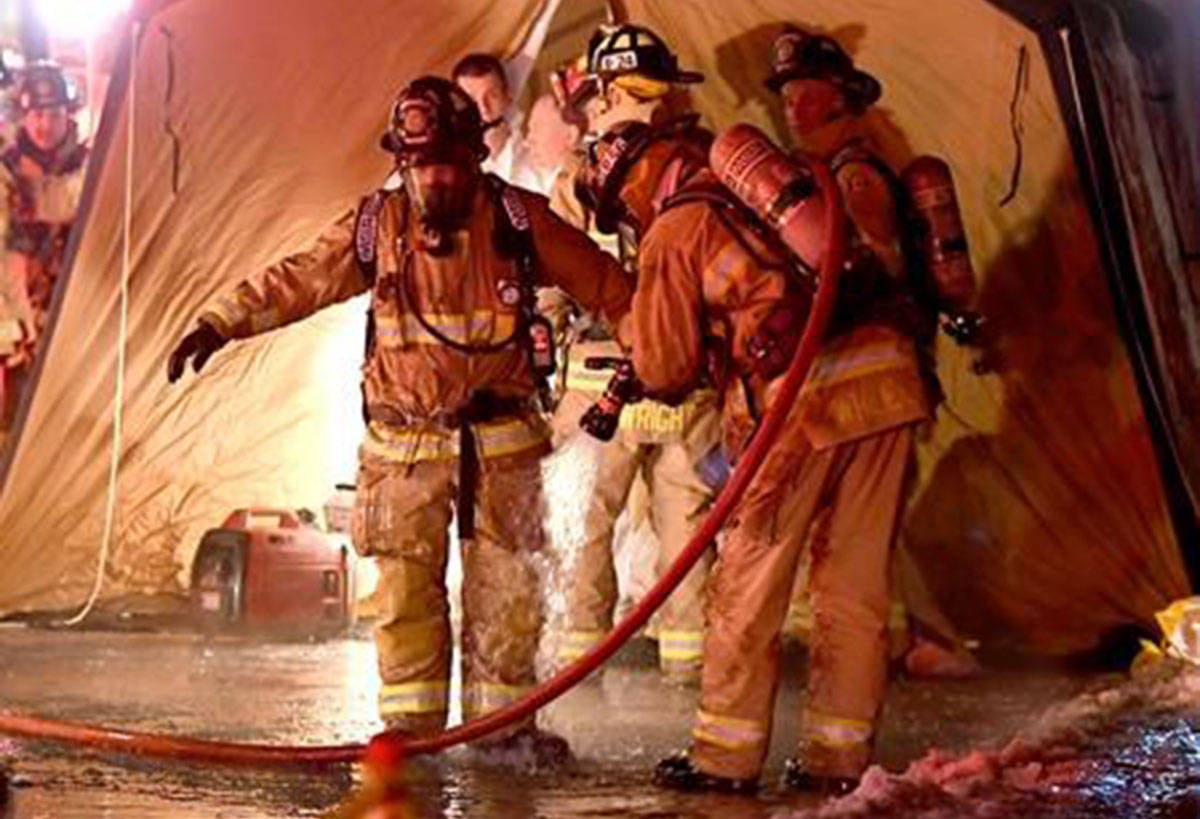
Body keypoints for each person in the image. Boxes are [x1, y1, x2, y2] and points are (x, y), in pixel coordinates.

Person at [167, 76, 632, 763]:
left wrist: (664, 345)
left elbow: (608, 285)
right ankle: (410, 742)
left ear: (476, 158)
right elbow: (299, 277)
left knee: (508, 595)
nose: (435, 180)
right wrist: (220, 321)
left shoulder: (518, 218)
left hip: (502, 447)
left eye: (448, 164)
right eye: (421, 166)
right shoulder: (375, 227)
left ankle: (502, 733)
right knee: (404, 600)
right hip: (403, 451)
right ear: (402, 163)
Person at [577, 30, 945, 793]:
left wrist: (635, 338)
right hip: (886, 378)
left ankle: (725, 756)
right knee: (854, 585)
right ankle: (837, 761)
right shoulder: (748, 183)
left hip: (801, 403)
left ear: (634, 180)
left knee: (748, 574)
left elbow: (669, 367)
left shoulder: (676, 227)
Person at [767, 25, 982, 680]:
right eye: (787, 95)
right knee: (864, 517)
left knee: (867, 519)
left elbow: (873, 263)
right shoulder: (834, 168)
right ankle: (902, 639)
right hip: (866, 376)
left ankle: (928, 642)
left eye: (806, 93)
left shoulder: (856, 175)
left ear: (839, 97)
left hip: (873, 373)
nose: (792, 108)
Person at [548, 25, 721, 686]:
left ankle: (577, 674)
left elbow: (556, 274)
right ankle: (693, 678)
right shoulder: (698, 165)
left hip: (603, 383)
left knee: (586, 530)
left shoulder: (579, 178)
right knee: (686, 532)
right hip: (680, 376)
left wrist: (542, 342)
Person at [0, 60, 88, 426]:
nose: (44, 125)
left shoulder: (92, 168)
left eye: (53, 113)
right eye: (36, 114)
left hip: (78, 324)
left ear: (68, 114)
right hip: (18, 331)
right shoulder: (5, 172)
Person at [452, 53, 522, 182]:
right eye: (471, 100)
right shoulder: (446, 159)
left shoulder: (533, 145)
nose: (483, 108)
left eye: (492, 96)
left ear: (507, 96)